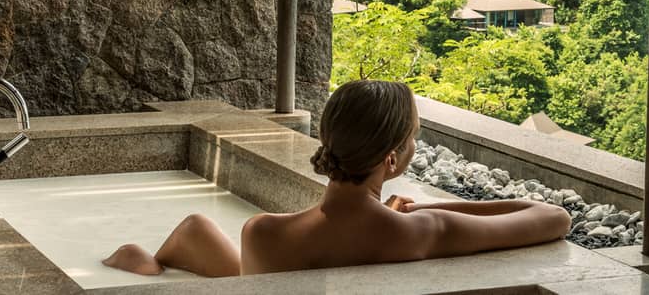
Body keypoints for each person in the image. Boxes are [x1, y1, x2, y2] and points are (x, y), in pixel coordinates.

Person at [102, 79, 571, 277]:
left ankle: (147, 264)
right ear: (391, 160)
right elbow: (552, 217)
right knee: (199, 231)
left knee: (197, 228)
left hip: (270, 264)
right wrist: (431, 206)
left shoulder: (263, 232)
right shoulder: (419, 232)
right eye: (411, 140)